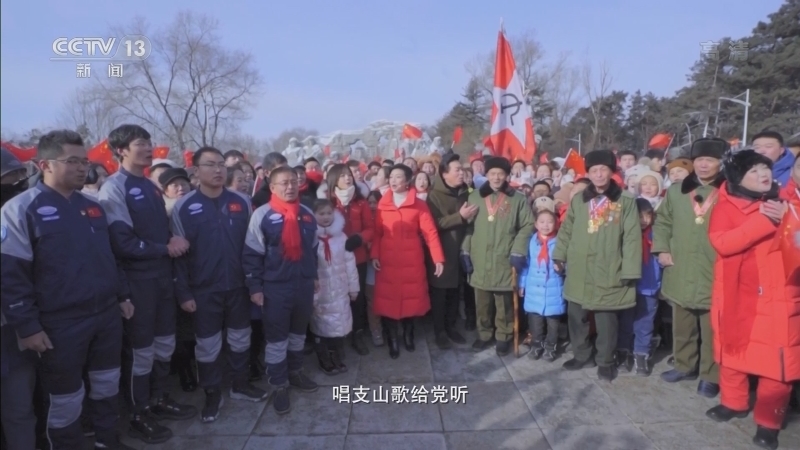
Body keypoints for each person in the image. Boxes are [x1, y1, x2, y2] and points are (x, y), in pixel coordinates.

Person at [1, 130, 134, 449]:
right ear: (45, 164)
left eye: (84, 161)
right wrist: (28, 327)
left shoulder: (93, 206)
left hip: (106, 317)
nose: (82, 168)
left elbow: (109, 257)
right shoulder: (20, 209)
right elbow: (11, 276)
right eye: (72, 161)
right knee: (65, 400)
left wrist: (122, 295)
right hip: (59, 325)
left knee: (107, 385)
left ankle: (107, 441)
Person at [99, 124, 196, 444]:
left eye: (148, 142)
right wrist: (165, 248)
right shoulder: (114, 188)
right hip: (138, 282)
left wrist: (172, 240)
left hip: (162, 279)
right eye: (140, 143)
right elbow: (122, 243)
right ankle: (138, 413)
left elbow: (160, 231)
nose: (148, 148)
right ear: (121, 150)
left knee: (165, 345)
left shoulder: (151, 186)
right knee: (141, 352)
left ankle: (158, 399)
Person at [705, 150, 797, 450]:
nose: (763, 175)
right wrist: (764, 221)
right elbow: (723, 242)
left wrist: (787, 218)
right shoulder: (725, 207)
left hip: (777, 296)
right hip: (735, 294)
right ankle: (733, 402)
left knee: (776, 365)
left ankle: (769, 421)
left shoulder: (787, 203)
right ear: (738, 178)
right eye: (754, 171)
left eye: (765, 169)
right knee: (732, 355)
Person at [171, 147, 267, 423]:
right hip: (203, 290)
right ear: (196, 170)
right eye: (210, 164)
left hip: (238, 287)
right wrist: (184, 293)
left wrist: (254, 284)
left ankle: (240, 384)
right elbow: (179, 256)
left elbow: (253, 247)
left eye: (222, 164)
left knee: (240, 338)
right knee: (207, 345)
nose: (218, 170)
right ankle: (212, 392)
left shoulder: (242, 202)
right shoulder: (183, 207)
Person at [553, 149, 642, 381]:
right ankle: (582, 355)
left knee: (606, 320)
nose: (599, 174)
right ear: (588, 173)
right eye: (594, 170)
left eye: (604, 169)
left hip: (609, 267)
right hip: (579, 267)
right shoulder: (579, 200)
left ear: (612, 172)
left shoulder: (625, 201)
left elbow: (632, 237)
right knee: (576, 315)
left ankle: (605, 360)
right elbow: (566, 230)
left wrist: (630, 269)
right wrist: (559, 255)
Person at [653, 137, 727, 398]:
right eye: (699, 160)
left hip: (713, 267)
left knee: (712, 329)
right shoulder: (677, 191)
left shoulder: (729, 190)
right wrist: (662, 249)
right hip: (681, 264)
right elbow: (662, 221)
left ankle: (710, 375)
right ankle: (684, 365)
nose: (703, 165)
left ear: (720, 163)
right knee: (682, 324)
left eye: (710, 160)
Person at [243, 166, 320, 415]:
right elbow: (252, 255)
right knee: (277, 339)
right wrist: (255, 288)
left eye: (294, 182)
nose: (290, 187)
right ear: (273, 187)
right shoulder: (262, 215)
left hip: (303, 285)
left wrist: (313, 275)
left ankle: (295, 372)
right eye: (284, 183)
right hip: (275, 288)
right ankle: (279, 384)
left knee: (298, 334)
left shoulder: (307, 214)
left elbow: (313, 249)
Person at [461, 157, 535, 356]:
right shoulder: (475, 197)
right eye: (492, 173)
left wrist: (518, 250)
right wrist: (465, 250)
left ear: (506, 175)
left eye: (500, 174)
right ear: (486, 174)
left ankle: (504, 336)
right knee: (482, 302)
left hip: (504, 257)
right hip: (480, 258)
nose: (496, 178)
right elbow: (468, 227)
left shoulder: (517, 199)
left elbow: (527, 225)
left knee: (504, 303)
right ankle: (484, 334)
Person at [372, 164, 444, 359]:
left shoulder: (419, 205)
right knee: (388, 300)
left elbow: (430, 233)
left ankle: (408, 334)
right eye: (391, 177)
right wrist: (375, 255)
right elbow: (377, 233)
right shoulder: (383, 204)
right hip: (387, 260)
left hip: (412, 260)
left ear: (407, 180)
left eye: (398, 177)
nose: (393, 180)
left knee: (411, 299)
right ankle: (392, 338)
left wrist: (438, 258)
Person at [0, 147, 38, 450]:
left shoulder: (21, 215)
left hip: (14, 329)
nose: (17, 184)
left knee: (20, 409)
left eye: (19, 176)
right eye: (9, 178)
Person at [321, 163, 375, 355]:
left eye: (349, 175)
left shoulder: (360, 202)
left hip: (357, 257)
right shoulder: (327, 202)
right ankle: (337, 336)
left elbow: (370, 228)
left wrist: (360, 238)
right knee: (336, 297)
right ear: (334, 179)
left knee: (356, 297)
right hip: (333, 259)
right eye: (343, 175)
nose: (348, 178)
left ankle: (357, 334)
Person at [426, 153, 476, 349]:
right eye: (457, 170)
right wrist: (459, 217)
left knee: (456, 291)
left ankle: (451, 327)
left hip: (462, 250)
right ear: (444, 174)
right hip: (442, 252)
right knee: (440, 294)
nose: (461, 173)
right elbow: (433, 224)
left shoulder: (466, 192)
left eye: (462, 169)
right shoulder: (434, 196)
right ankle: (439, 331)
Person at [310, 200, 359, 374]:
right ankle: (323, 358)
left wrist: (353, 287)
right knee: (320, 323)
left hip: (339, 289)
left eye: (329, 213)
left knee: (339, 323)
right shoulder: (310, 237)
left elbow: (350, 263)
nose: (326, 217)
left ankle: (336, 355)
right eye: (321, 213)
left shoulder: (341, 237)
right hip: (320, 291)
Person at [617, 198, 662, 376]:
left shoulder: (657, 234)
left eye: (647, 215)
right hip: (629, 287)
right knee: (626, 322)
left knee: (645, 323)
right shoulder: (626, 234)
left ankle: (641, 353)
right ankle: (623, 351)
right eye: (639, 216)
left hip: (650, 286)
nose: (644, 220)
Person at [519, 209, 565, 361]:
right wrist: (522, 284)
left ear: (556, 224)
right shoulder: (531, 241)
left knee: (553, 324)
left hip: (554, 290)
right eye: (542, 222)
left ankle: (551, 347)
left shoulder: (560, 242)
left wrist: (562, 267)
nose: (546, 225)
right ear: (536, 224)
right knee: (535, 322)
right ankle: (536, 345)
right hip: (534, 290)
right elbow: (525, 266)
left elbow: (568, 262)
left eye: (550, 222)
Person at [363, 190, 384, 344]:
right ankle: (375, 330)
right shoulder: (363, 220)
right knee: (372, 299)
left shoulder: (385, 218)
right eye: (369, 202)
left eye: (374, 202)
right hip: (369, 265)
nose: (371, 206)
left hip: (385, 264)